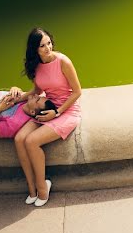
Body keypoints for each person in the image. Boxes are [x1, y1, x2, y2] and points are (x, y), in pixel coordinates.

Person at [14, 27, 82, 207]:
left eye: (49, 43)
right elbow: (37, 91)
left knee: (31, 141)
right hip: (48, 106)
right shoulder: (36, 65)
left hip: (66, 110)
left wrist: (57, 112)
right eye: (42, 45)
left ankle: (43, 187)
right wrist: (16, 98)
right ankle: (31, 189)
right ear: (34, 49)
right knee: (19, 138)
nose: (47, 48)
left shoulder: (63, 61)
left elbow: (77, 92)